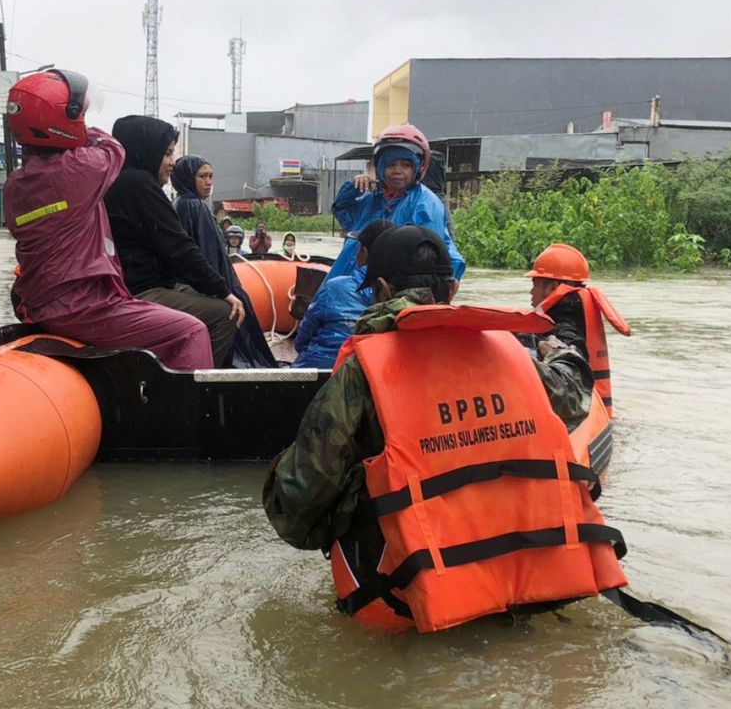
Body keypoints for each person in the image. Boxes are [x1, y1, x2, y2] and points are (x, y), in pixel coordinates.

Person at [262, 225, 624, 632]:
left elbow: (299, 499)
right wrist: (563, 337)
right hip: (524, 579)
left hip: (407, 597)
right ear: (451, 291)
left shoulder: (360, 374)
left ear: (380, 289)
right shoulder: (509, 353)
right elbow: (575, 393)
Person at [1, 70, 214, 371]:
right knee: (190, 331)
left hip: (40, 302)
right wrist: (80, 133)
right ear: (64, 121)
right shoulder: (80, 170)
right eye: (78, 115)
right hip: (84, 306)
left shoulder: (15, 186)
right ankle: (189, 416)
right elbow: (114, 148)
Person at [106, 115, 246, 368]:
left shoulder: (119, 181)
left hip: (143, 283)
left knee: (203, 295)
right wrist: (223, 290)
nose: (171, 163)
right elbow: (179, 248)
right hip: (140, 289)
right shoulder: (138, 184)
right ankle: (193, 389)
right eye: (167, 153)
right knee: (226, 314)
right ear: (147, 150)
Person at [325, 124, 465, 289]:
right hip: (351, 284)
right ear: (381, 167)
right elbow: (342, 211)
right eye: (391, 165)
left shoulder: (425, 204)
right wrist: (353, 188)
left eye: (405, 165)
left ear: (418, 167)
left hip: (387, 292)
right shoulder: (371, 201)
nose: (397, 171)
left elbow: (425, 263)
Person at [171, 155, 277, 368]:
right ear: (187, 178)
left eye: (211, 176)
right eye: (202, 176)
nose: (209, 182)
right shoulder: (193, 206)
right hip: (209, 284)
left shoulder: (181, 204)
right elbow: (207, 255)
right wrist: (222, 288)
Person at [526, 243, 632, 416]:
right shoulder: (574, 311)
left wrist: (555, 352)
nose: (531, 292)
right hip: (594, 407)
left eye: (535, 284)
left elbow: (573, 365)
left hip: (583, 411)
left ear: (553, 287)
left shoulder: (562, 324)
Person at [292, 220, 394, 369]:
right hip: (374, 372)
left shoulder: (335, 287)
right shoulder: (403, 296)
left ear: (364, 253)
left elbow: (304, 335)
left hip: (322, 367)